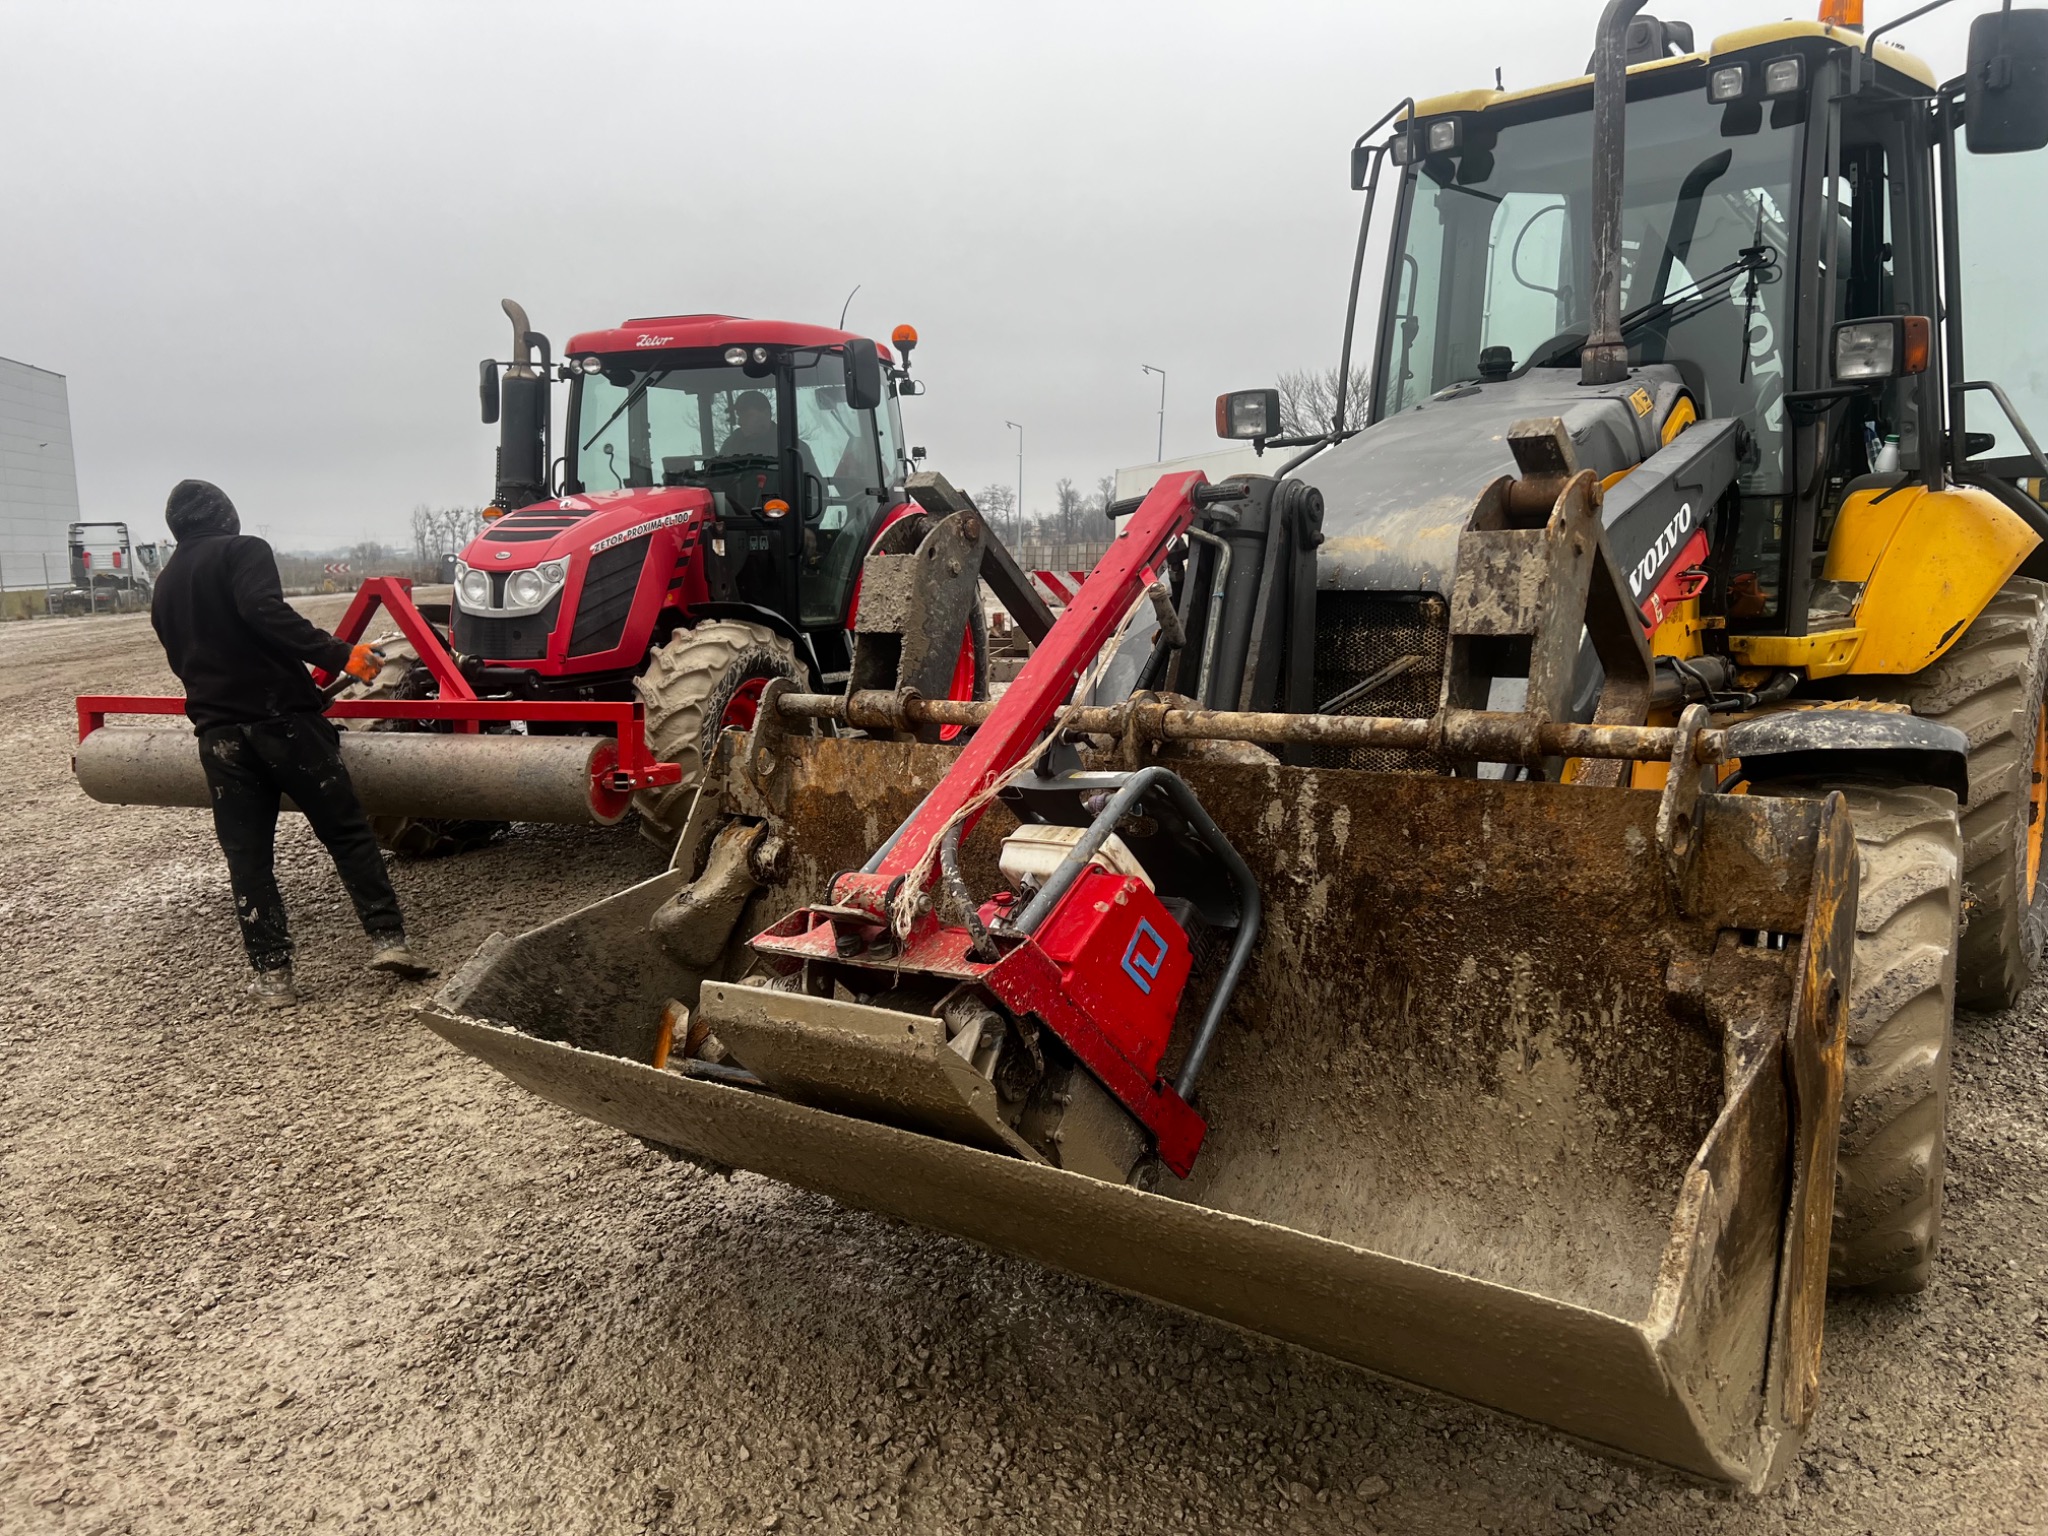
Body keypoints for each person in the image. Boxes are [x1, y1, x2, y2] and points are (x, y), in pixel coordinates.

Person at [149, 479, 435, 1006]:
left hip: (219, 737)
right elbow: (263, 611)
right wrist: (337, 654)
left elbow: (177, 651)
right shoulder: (244, 550)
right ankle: (389, 941)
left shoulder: (165, 583)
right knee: (346, 831)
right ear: (226, 515)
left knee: (248, 858)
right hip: (283, 724)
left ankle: (274, 978)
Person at [718, 390, 778, 457]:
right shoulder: (732, 443)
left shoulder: (786, 441)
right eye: (739, 416)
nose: (740, 422)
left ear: (767, 414)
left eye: (747, 416)